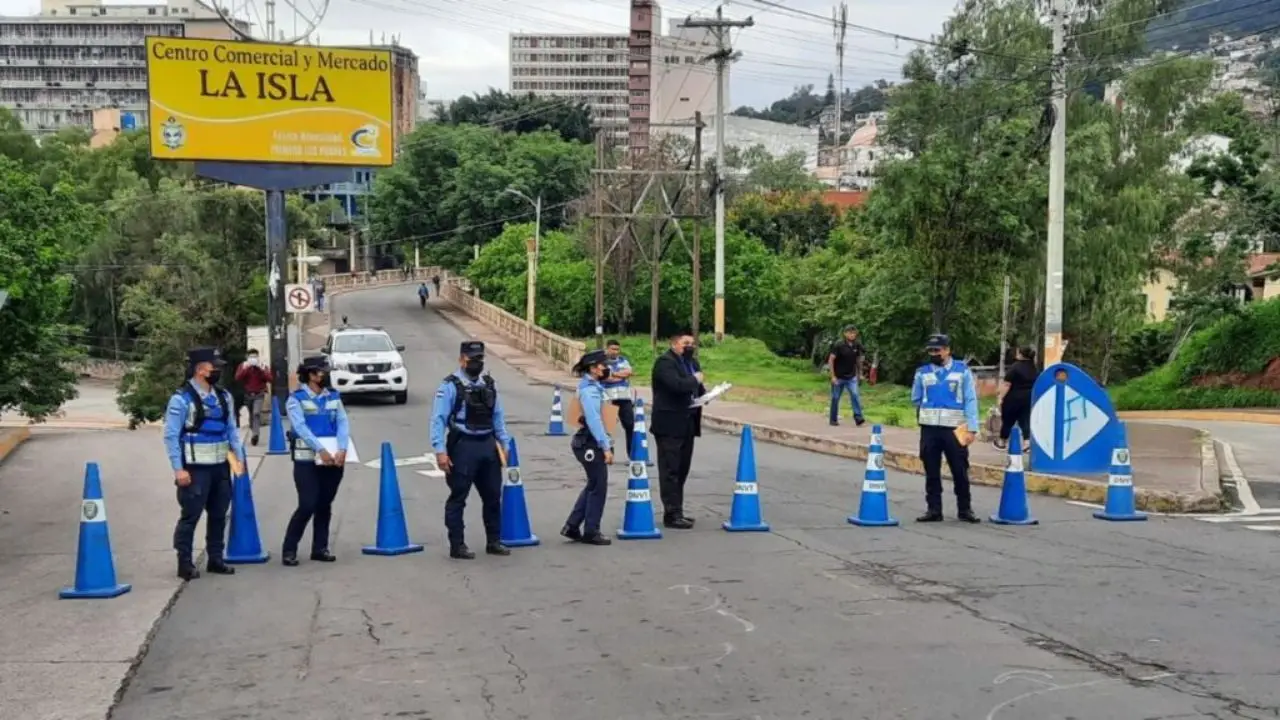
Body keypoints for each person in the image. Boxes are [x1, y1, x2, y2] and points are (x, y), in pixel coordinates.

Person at [162, 347, 245, 580]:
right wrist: (178, 469)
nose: (217, 370)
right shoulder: (181, 399)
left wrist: (238, 460)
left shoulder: (224, 397)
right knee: (191, 516)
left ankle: (216, 559)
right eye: (213, 367)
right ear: (200, 369)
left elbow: (231, 430)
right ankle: (185, 563)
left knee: (219, 514)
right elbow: (171, 436)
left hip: (220, 466)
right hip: (195, 469)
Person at [431, 341, 512, 559]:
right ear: (462, 360)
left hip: (487, 444)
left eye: (480, 359)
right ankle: (457, 545)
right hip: (463, 445)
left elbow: (498, 416)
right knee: (458, 496)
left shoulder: (489, 385)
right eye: (472, 359)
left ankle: (494, 541)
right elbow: (438, 419)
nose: (477, 363)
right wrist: (440, 451)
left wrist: (505, 443)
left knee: (493, 496)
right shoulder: (450, 386)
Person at [282, 355, 350, 567]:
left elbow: (342, 422)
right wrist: (320, 449)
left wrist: (342, 448)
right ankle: (289, 549)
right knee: (307, 504)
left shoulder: (333, 396)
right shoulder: (296, 399)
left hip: (333, 459)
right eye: (322, 372)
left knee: (324, 504)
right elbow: (300, 427)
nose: (325, 376)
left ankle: (320, 548)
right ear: (310, 375)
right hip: (306, 460)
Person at [911, 334, 981, 524]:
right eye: (931, 350)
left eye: (938, 350)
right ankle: (934, 509)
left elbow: (970, 400)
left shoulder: (962, 371)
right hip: (929, 429)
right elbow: (916, 398)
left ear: (947, 350)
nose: (934, 354)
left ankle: (965, 509)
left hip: (955, 429)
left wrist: (972, 428)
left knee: (960, 470)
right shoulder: (922, 372)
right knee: (931, 470)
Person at [649, 330, 705, 529]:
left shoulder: (692, 363)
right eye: (685, 343)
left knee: (682, 469)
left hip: (688, 422)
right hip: (669, 423)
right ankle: (671, 514)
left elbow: (697, 388)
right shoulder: (665, 363)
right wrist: (695, 380)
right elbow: (677, 385)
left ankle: (678, 509)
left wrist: (704, 394)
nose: (690, 347)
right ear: (674, 344)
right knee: (670, 470)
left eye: (692, 343)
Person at [561, 349, 614, 546]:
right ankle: (592, 530)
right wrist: (605, 446)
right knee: (598, 487)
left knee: (593, 484)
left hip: (589, 441)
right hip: (590, 443)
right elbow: (594, 420)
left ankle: (572, 526)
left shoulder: (594, 386)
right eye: (603, 365)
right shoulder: (589, 391)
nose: (606, 368)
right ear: (593, 368)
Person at [996, 345, 1037, 452]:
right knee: (1025, 420)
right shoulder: (1033, 367)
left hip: (1013, 398)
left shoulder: (1015, 367)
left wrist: (1000, 397)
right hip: (1028, 398)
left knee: (1008, 420)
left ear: (1021, 354)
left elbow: (1007, 384)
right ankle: (1027, 443)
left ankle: (1002, 442)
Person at [601, 339, 635, 461]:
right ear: (607, 349)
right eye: (613, 349)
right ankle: (608, 452)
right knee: (609, 427)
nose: (615, 351)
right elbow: (606, 378)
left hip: (624, 397)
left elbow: (629, 372)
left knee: (630, 425)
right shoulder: (602, 363)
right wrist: (620, 376)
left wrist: (613, 374)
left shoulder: (624, 361)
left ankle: (632, 453)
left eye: (617, 349)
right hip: (609, 398)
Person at [827, 324, 866, 427]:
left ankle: (858, 418)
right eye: (849, 333)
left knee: (855, 395)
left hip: (851, 376)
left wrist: (860, 374)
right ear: (845, 334)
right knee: (835, 397)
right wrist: (833, 376)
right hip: (839, 376)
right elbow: (831, 360)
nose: (852, 335)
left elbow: (858, 360)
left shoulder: (857, 345)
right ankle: (833, 419)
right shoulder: (839, 345)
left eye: (854, 333)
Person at [234, 349, 271, 445]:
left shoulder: (263, 366)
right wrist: (247, 368)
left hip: (259, 394)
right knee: (251, 415)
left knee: (256, 413)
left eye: (255, 357)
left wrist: (260, 369)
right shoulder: (243, 366)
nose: (253, 359)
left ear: (258, 357)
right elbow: (238, 377)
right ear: (247, 358)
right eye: (251, 357)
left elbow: (270, 378)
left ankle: (255, 434)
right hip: (248, 394)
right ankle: (253, 430)